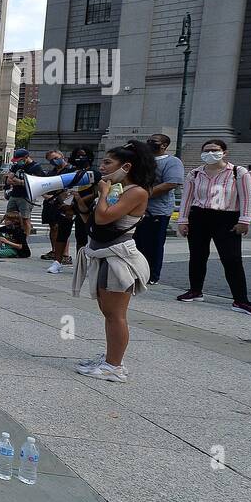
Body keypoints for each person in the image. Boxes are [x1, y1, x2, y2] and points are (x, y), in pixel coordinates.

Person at [71, 141, 156, 382]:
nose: (103, 166)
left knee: (116, 315)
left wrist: (104, 193)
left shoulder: (136, 191)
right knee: (108, 312)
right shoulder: (119, 188)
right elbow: (95, 222)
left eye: (108, 162)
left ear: (126, 166)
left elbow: (105, 217)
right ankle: (110, 358)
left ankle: (114, 366)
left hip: (119, 259)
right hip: (105, 256)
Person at [176, 140, 251, 316]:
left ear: (224, 152)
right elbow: (186, 198)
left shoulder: (238, 172)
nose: (210, 154)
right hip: (199, 216)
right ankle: (195, 290)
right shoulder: (194, 174)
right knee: (197, 255)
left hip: (226, 217)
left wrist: (245, 220)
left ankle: (241, 300)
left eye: (215, 150)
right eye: (206, 151)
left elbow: (248, 197)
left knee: (231, 258)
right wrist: (182, 220)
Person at [136, 133, 184, 285]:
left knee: (153, 244)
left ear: (164, 145)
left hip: (157, 210)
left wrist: (143, 194)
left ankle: (152, 275)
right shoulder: (142, 160)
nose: (149, 143)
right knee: (137, 243)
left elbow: (171, 183)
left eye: (154, 142)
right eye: (148, 141)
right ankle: (137, 272)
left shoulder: (172, 161)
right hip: (136, 209)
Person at [38, 150, 77, 274]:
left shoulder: (71, 170)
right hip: (52, 203)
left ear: (62, 156)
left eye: (56, 158)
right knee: (53, 227)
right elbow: (44, 187)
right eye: (51, 160)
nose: (54, 161)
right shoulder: (51, 172)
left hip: (65, 203)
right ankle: (55, 251)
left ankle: (64, 254)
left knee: (62, 227)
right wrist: (46, 196)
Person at [6, 148, 36, 237]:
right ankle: (10, 235)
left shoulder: (35, 167)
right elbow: (9, 180)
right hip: (14, 194)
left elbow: (32, 183)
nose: (18, 162)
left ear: (26, 157)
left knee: (25, 218)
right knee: (9, 216)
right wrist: (22, 182)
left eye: (20, 160)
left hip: (26, 196)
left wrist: (17, 181)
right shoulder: (16, 166)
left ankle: (25, 238)